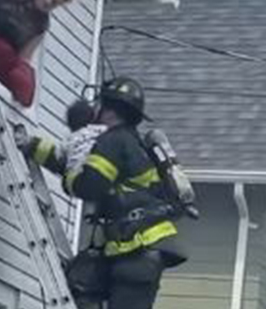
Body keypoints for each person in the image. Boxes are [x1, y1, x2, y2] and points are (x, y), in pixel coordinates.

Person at [25, 77, 188, 309]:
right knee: (81, 278)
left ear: (108, 110)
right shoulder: (131, 142)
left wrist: (70, 181)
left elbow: (90, 185)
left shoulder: (112, 141)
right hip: (134, 249)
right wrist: (32, 146)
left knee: (83, 284)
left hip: (136, 251)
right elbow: (71, 161)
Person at [0, 0, 76, 106]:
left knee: (24, 80)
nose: (48, 1)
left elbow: (24, 57)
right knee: (3, 50)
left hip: (0, 55)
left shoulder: (41, 26)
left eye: (54, 3)